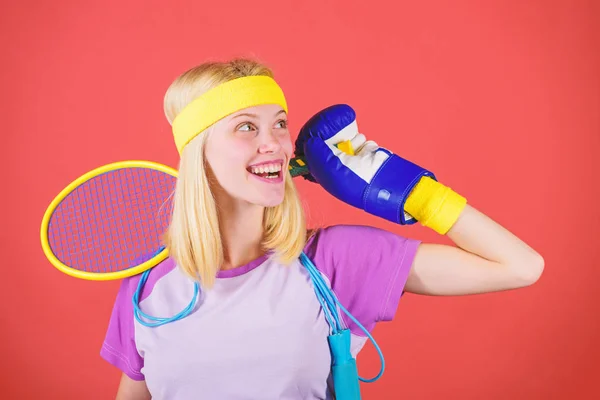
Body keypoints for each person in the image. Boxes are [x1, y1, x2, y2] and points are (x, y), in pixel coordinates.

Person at [100, 59, 544, 400]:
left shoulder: (333, 262)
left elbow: (519, 266)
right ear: (200, 155)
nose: (273, 142)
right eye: (247, 128)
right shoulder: (148, 291)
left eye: (279, 123)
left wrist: (417, 195)